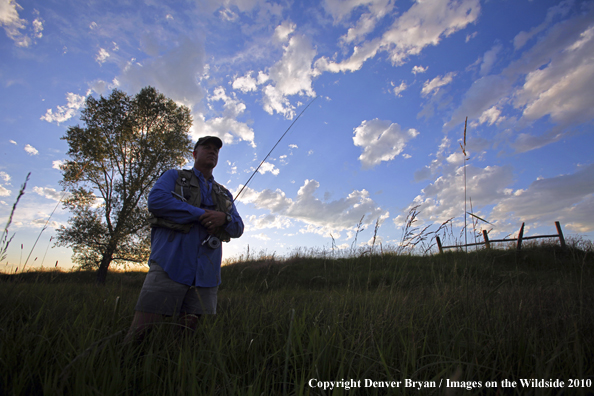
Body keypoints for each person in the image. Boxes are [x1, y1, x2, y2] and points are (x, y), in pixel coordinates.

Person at [125, 136, 244, 342]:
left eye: (216, 149)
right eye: (206, 147)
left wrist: (223, 218)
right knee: (141, 331)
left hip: (206, 273)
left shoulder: (224, 193)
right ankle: (125, 365)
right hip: (169, 264)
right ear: (194, 154)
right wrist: (200, 214)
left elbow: (238, 227)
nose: (212, 151)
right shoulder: (174, 176)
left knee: (186, 335)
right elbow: (156, 201)